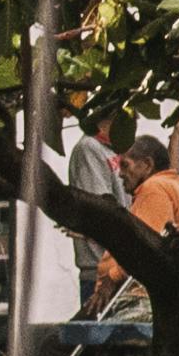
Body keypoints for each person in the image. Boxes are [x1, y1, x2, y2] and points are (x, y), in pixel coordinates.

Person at [93, 129, 179, 312]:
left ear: (147, 165)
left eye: (125, 165)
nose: (120, 174)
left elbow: (147, 246)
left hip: (139, 299)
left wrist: (112, 277)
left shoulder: (154, 188)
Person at [61, 113, 128, 309]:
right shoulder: (90, 148)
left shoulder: (113, 150)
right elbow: (100, 211)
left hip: (120, 266)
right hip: (100, 269)